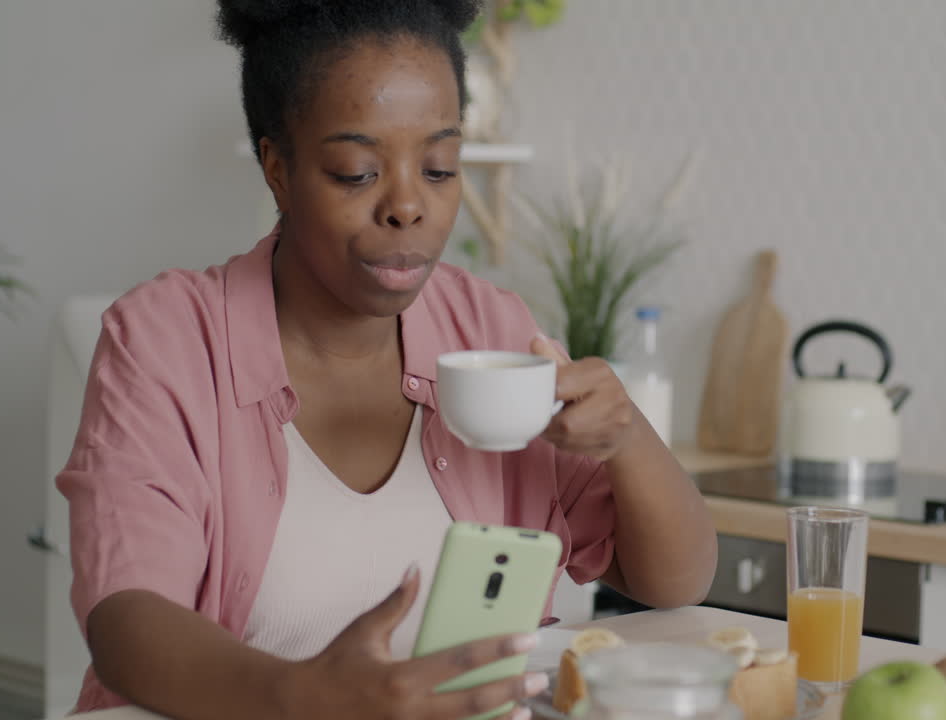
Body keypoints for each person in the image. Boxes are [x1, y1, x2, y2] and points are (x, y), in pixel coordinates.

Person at [55, 1, 718, 717]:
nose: (409, 205)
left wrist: (627, 438)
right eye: (355, 172)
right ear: (277, 168)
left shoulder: (492, 329)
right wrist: (303, 696)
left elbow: (673, 582)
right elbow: (125, 623)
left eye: (439, 168)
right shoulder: (165, 339)